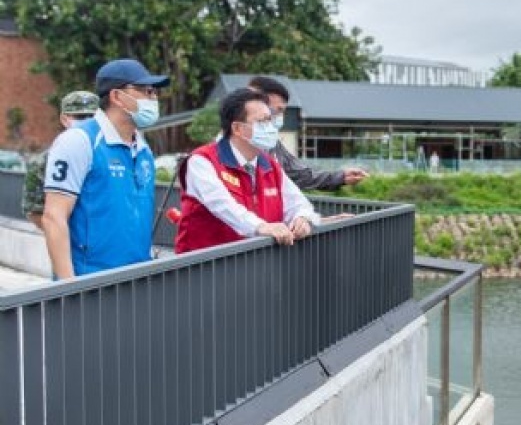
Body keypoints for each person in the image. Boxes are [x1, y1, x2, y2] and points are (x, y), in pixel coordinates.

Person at [42, 59, 167, 279]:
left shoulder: (143, 148)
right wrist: (68, 287)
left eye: (155, 92)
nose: (153, 98)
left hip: (136, 278)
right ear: (117, 96)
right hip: (91, 284)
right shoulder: (79, 141)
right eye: (146, 91)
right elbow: (54, 217)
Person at [175, 88, 321, 253]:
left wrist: (302, 218)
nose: (271, 128)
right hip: (203, 270)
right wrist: (261, 227)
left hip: (252, 267)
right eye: (262, 122)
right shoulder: (202, 161)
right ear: (237, 128)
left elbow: (298, 203)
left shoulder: (270, 165)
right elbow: (223, 205)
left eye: (271, 120)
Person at [245, 75, 368, 190]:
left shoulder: (271, 144)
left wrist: (341, 177)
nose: (280, 117)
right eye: (278, 110)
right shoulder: (233, 149)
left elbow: (299, 174)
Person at [23, 90, 100, 231]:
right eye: (80, 116)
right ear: (64, 119)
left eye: (92, 116)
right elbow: (34, 210)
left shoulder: (112, 153)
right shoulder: (43, 161)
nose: (87, 121)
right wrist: (66, 237)